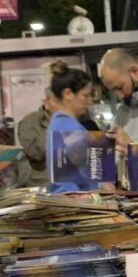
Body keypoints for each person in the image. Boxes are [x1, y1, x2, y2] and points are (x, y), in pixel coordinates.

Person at [46, 62, 99, 192]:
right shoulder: (67, 127)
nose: (90, 101)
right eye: (85, 95)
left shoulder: (59, 124)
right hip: (78, 203)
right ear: (68, 94)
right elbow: (65, 179)